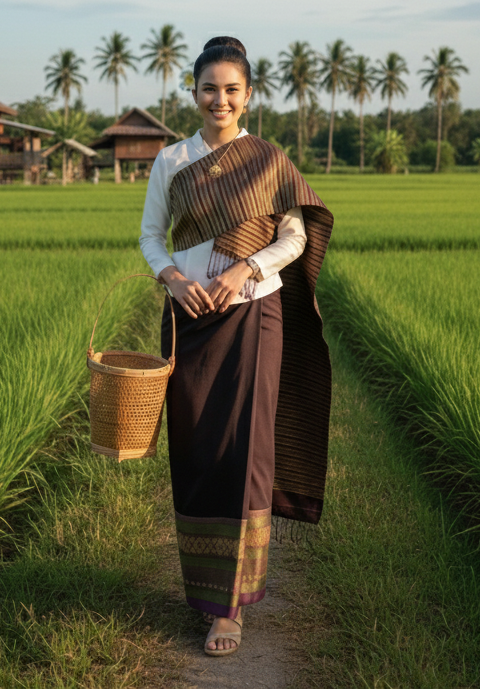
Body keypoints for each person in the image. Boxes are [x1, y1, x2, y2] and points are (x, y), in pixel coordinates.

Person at [139, 36, 335, 656]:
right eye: (208, 88)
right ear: (192, 93)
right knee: (197, 451)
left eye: (231, 89)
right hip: (189, 318)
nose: (218, 99)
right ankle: (200, 588)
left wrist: (243, 269)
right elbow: (151, 239)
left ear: (248, 96)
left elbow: (294, 238)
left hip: (254, 314)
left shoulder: (270, 160)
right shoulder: (171, 161)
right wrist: (174, 279)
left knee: (245, 450)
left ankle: (229, 609)